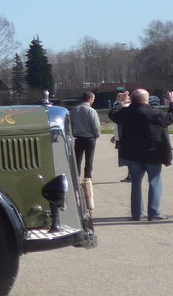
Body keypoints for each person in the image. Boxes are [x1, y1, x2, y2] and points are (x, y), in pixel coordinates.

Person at [108, 88, 173, 221]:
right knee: (154, 181)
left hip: (133, 154)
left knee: (136, 183)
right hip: (153, 153)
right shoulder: (155, 113)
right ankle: (153, 212)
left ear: (131, 99)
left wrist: (120, 102)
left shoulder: (126, 113)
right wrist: (171, 103)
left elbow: (112, 114)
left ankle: (137, 213)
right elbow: (170, 119)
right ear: (146, 99)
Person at [70, 91, 100, 215]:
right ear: (90, 99)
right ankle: (88, 177)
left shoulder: (74, 110)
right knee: (89, 159)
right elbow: (96, 125)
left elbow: (70, 124)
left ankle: (76, 176)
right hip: (89, 138)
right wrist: (97, 134)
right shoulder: (91, 111)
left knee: (77, 158)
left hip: (78, 137)